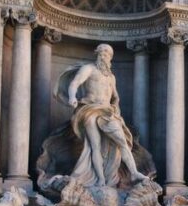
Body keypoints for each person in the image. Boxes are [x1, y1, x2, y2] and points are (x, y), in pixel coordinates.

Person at [56, 43, 148, 187]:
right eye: (102, 53)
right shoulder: (88, 69)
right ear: (97, 54)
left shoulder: (111, 77)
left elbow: (115, 96)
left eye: (107, 53)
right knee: (95, 146)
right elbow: (75, 83)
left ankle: (134, 172)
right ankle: (100, 179)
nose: (104, 55)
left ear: (110, 58)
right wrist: (72, 97)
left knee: (122, 142)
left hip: (107, 113)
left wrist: (116, 106)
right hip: (90, 110)